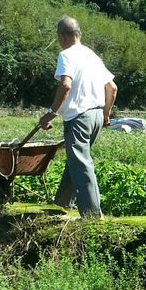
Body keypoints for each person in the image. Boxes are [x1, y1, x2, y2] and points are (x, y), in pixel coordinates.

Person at [38, 15, 118, 216]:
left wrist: (50, 113)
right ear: (79, 34)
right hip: (96, 116)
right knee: (76, 160)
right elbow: (112, 88)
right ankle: (62, 203)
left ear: (62, 36)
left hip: (79, 118)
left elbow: (65, 85)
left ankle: (92, 215)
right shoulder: (92, 56)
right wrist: (106, 114)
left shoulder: (66, 55)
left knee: (81, 163)